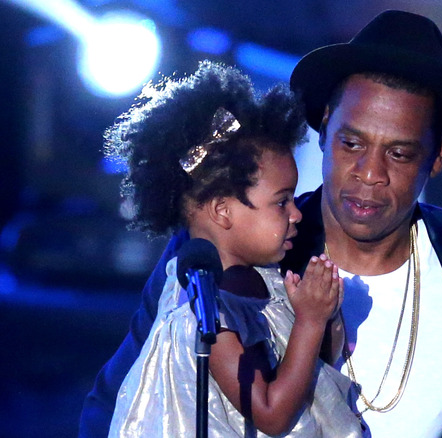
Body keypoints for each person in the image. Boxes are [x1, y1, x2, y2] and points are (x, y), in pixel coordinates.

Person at [80, 10, 442, 438]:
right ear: (325, 126)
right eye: (351, 143)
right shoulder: (220, 254)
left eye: (399, 153)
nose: (369, 172)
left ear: (437, 154)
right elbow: (118, 406)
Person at [102, 60, 362, 437]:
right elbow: (271, 415)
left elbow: (309, 375)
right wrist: (309, 320)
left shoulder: (265, 283)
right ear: (223, 211)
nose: (296, 214)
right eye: (281, 202)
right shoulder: (204, 307)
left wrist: (326, 316)